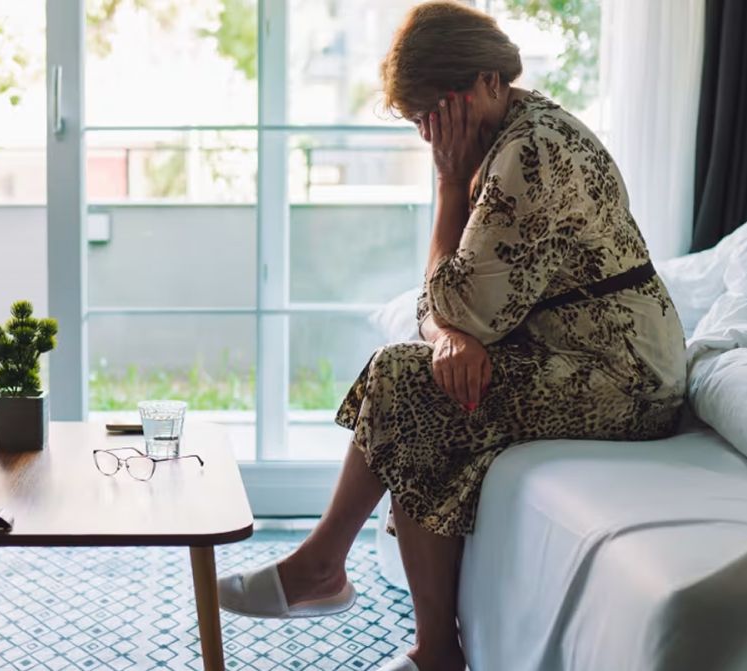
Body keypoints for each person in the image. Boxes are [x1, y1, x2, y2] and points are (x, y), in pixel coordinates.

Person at [216, 2, 687, 670]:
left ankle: (341, 578)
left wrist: (446, 186)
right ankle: (384, 610)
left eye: (437, 113)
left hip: (626, 376)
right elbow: (446, 310)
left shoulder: (529, 156)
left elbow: (459, 307)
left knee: (408, 383)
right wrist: (446, 334)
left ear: (489, 81)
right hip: (568, 349)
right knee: (416, 379)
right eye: (420, 122)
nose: (432, 135)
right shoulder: (507, 135)